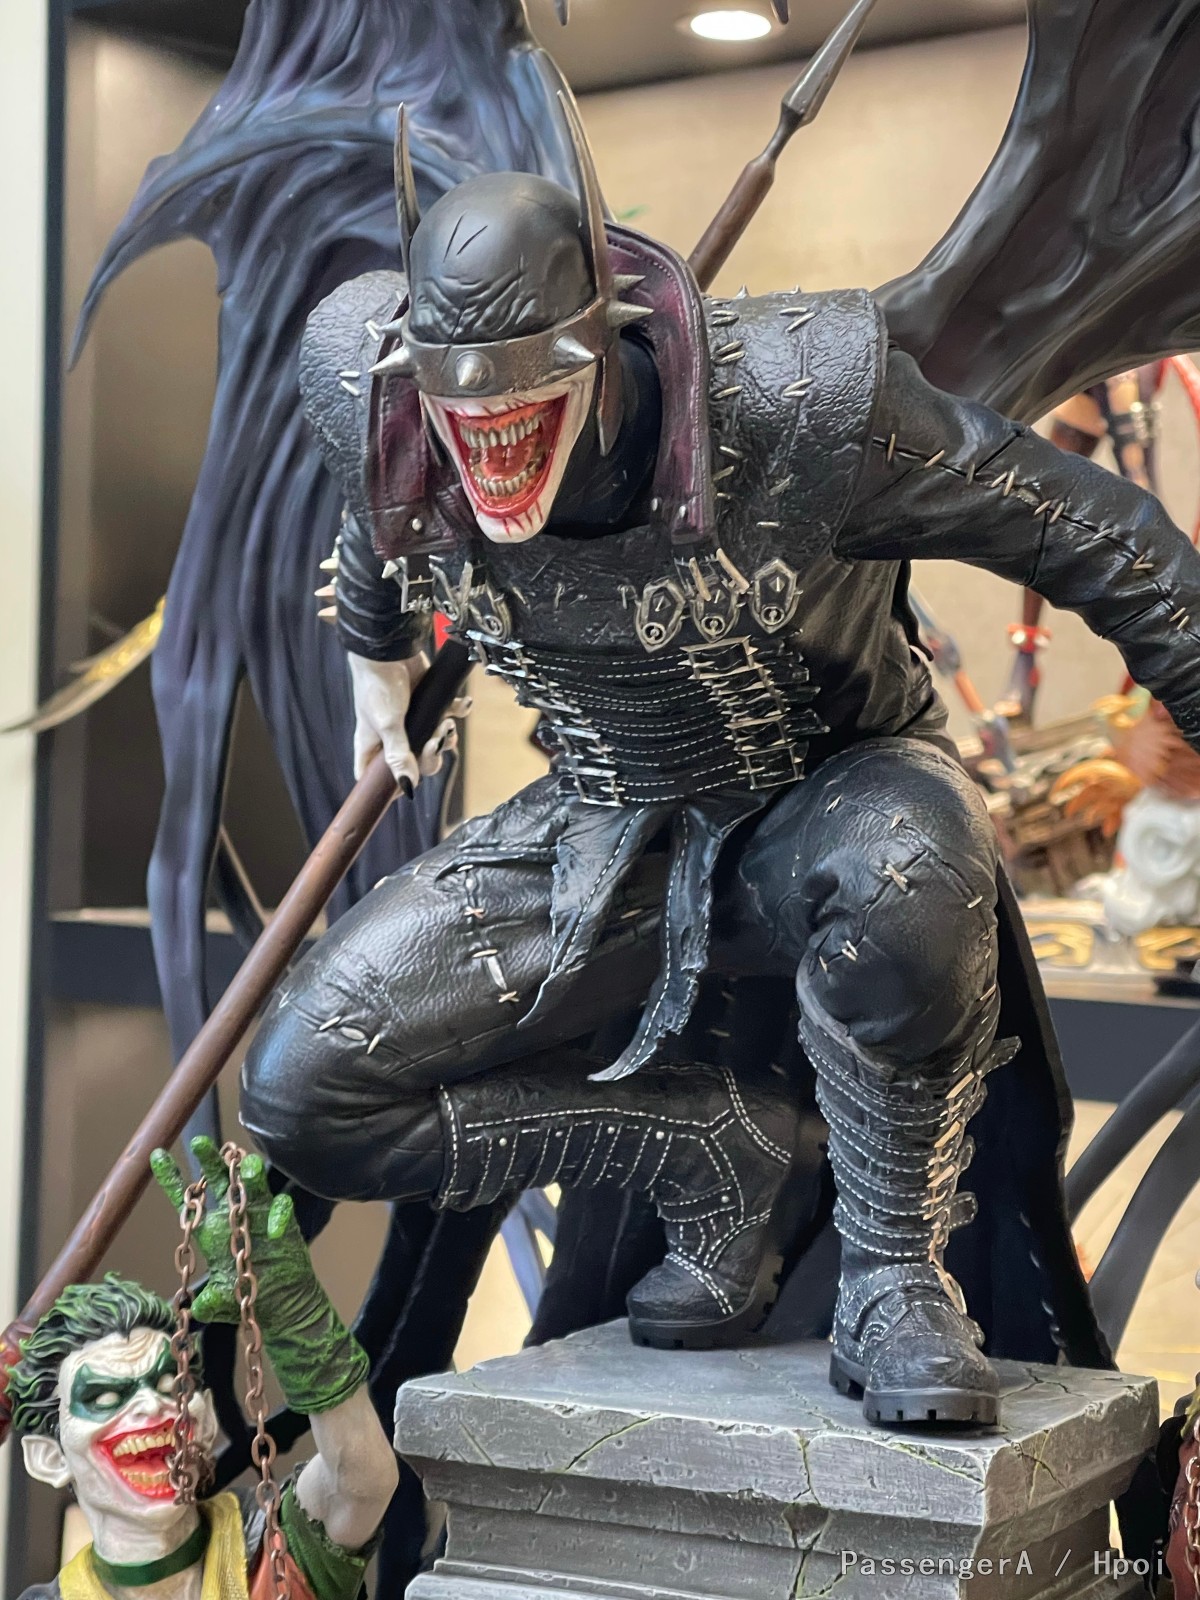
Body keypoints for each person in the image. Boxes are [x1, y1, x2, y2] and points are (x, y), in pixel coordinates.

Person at [238, 85, 1200, 1431]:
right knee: (302, 1092)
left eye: (520, 395)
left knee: (913, 866)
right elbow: (383, 499)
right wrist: (375, 650)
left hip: (834, 801)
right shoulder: (381, 396)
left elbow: (1103, 537)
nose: (485, 434)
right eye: (456, 402)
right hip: (601, 827)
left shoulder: (804, 407)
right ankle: (705, 1150)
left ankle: (892, 1276)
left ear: (603, 345)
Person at [11, 1139, 397, 1600]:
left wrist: (298, 1318)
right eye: (105, 1398)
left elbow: (361, 1484)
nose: (151, 1404)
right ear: (49, 1457)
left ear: (207, 1418)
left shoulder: (271, 1550)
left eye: (171, 1384)